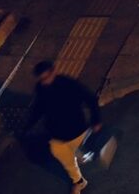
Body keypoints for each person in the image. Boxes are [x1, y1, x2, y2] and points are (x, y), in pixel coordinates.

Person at [23, 61, 102, 193]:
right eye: (41, 79)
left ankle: (89, 154)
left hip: (76, 129)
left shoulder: (69, 85)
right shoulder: (41, 88)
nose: (44, 82)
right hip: (56, 134)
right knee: (66, 160)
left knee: (84, 153)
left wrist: (96, 121)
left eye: (46, 77)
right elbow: (39, 107)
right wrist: (29, 125)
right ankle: (79, 181)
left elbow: (90, 98)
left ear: (54, 71)